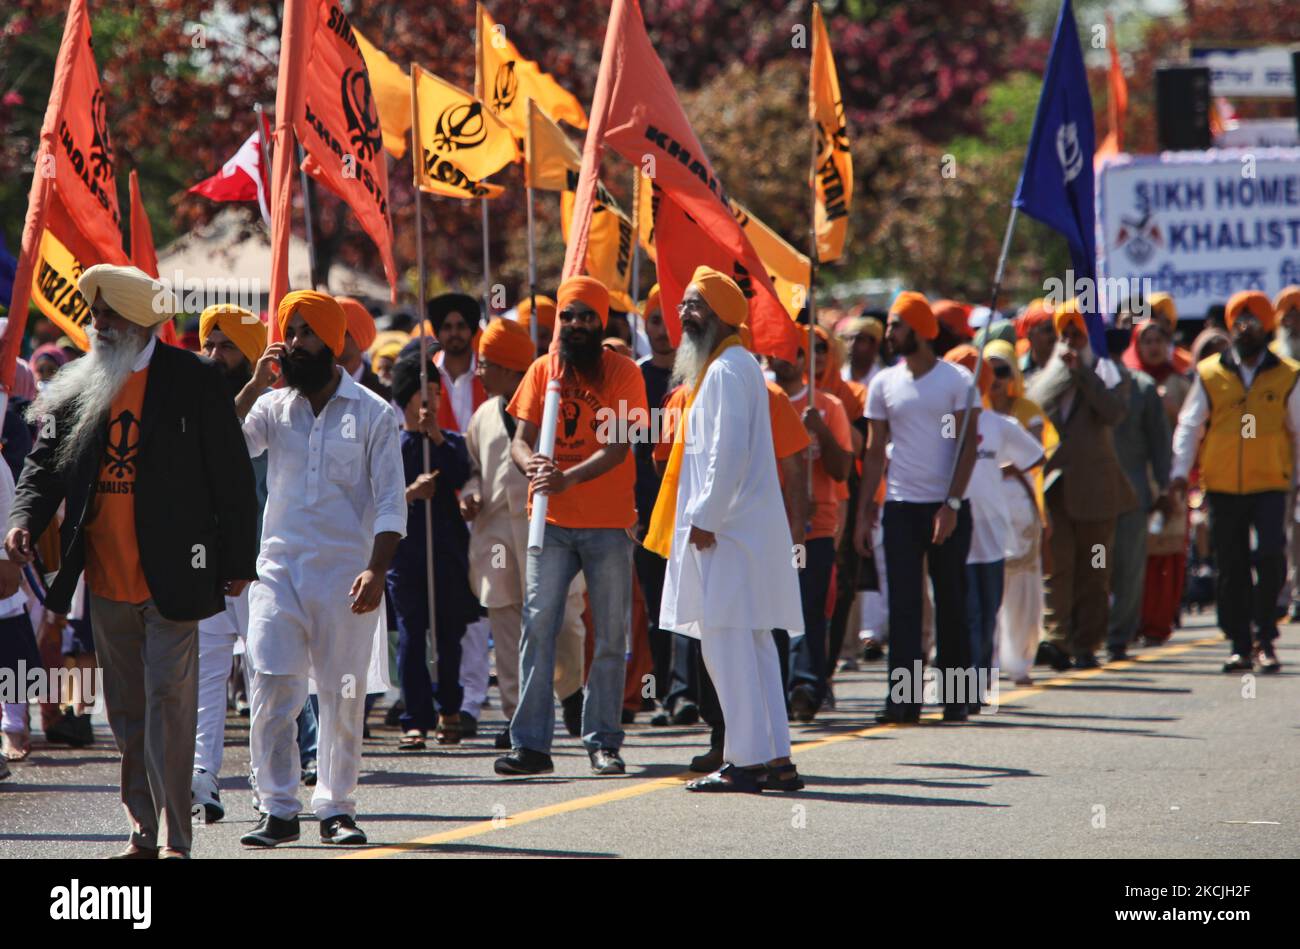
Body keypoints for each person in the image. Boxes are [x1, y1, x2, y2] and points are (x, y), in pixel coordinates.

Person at [5, 264, 259, 859]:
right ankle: (141, 831)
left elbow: (232, 477)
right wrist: (22, 522)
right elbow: (43, 466)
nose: (100, 326)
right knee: (125, 712)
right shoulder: (77, 379)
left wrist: (237, 558)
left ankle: (175, 836)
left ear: (143, 321)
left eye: (110, 315)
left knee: (169, 705)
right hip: (104, 577)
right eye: (96, 316)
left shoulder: (194, 379)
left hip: (178, 573)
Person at [234, 290, 406, 848]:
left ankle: (335, 807)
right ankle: (278, 808)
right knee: (273, 688)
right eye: (292, 330)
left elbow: (390, 502)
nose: (297, 342)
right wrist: (254, 386)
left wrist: (377, 570)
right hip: (277, 572)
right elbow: (224, 445)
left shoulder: (374, 413)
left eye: (309, 332)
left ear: (333, 343)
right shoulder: (271, 407)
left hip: (346, 576)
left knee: (340, 695)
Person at [649, 267, 804, 793]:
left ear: (720, 316)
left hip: (727, 532)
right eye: (684, 304)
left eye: (695, 306)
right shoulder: (733, 367)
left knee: (727, 645)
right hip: (740, 531)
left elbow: (727, 454)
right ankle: (776, 757)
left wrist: (705, 520)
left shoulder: (725, 371)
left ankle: (746, 762)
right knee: (753, 645)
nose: (684, 314)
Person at [495, 276, 648, 777]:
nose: (576, 324)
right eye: (567, 316)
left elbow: (622, 447)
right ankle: (531, 746)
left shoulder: (625, 374)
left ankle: (603, 740)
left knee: (609, 634)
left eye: (585, 316)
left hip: (608, 525)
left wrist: (567, 477)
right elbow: (520, 439)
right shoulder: (543, 370)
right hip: (551, 523)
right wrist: (532, 467)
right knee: (538, 625)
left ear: (601, 321)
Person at [461, 318, 586, 750]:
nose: (479, 372)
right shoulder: (480, 417)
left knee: (566, 621)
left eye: (487, 364)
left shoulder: (551, 408)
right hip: (496, 537)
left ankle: (571, 692)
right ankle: (518, 720)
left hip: (550, 529)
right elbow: (475, 472)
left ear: (514, 370)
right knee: (508, 624)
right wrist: (471, 494)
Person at [855, 292, 979, 724]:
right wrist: (864, 511)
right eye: (890, 325)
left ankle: (957, 697)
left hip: (948, 507)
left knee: (951, 601)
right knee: (904, 606)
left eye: (896, 325)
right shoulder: (883, 383)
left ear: (921, 330)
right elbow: (873, 454)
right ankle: (903, 701)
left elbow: (966, 448)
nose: (889, 334)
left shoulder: (957, 381)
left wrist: (951, 504)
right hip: (901, 507)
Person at [1170, 290, 1300, 674]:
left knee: (1271, 557)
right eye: (1239, 323)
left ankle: (1266, 636)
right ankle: (1240, 643)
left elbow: (1298, 432)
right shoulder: (1210, 373)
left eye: (1253, 322)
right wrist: (1179, 473)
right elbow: (1190, 425)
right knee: (1231, 566)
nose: (1245, 329)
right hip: (1223, 486)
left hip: (1271, 485)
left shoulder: (1288, 374)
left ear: (1266, 326)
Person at [190, 304, 271, 823]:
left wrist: (263, 384)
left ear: (251, 353)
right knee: (206, 675)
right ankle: (203, 779)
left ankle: (269, 786)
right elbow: (215, 430)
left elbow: (238, 429)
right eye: (210, 345)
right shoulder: (195, 398)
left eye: (227, 347)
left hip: (264, 564)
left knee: (266, 676)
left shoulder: (278, 404)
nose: (215, 355)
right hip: (207, 562)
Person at [1027, 300, 1134, 671]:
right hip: (1057, 490)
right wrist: (1063, 374)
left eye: (1077, 334)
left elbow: (1114, 412)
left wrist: (1084, 375)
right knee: (1058, 569)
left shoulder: (1108, 373)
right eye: (1065, 334)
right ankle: (1056, 641)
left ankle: (1088, 642)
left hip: (1097, 494)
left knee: (1095, 570)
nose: (1070, 341)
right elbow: (1033, 407)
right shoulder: (1047, 375)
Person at [385, 354, 479, 748]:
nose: (432, 404)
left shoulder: (451, 441)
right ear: (406, 399)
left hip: (447, 551)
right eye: (424, 396)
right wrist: (410, 494)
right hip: (406, 555)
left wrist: (438, 438)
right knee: (410, 635)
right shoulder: (390, 444)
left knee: (448, 635)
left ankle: (450, 708)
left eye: (437, 396)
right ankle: (415, 717)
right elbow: (378, 495)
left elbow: (464, 474)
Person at [945, 345, 1042, 709]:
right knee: (965, 611)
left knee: (988, 610)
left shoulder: (998, 424)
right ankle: (963, 685)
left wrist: (1001, 467)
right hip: (957, 529)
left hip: (993, 534)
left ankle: (982, 680)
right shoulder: (944, 422)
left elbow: (1036, 455)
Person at [768, 332, 853, 721]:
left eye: (789, 351)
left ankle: (805, 688)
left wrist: (818, 430)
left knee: (809, 609)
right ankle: (773, 689)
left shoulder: (828, 406)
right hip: (767, 526)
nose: (779, 358)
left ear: (805, 359)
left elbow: (842, 470)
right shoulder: (762, 400)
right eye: (774, 351)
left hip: (814, 528)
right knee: (771, 614)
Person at [983, 340, 1049, 685]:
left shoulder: (1027, 410)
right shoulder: (971, 411)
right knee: (986, 586)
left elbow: (1035, 459)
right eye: (988, 370)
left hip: (1020, 506)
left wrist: (1000, 468)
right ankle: (987, 661)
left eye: (1002, 370)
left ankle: (1019, 661)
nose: (995, 378)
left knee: (1022, 589)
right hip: (984, 506)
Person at [1106, 316, 1172, 661]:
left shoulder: (1143, 387)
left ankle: (1118, 636)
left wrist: (1164, 488)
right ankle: (1103, 633)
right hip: (1093, 493)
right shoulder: (1087, 383)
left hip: (1132, 493)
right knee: (1104, 566)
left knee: (1128, 566)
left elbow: (1160, 444)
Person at [631, 287, 683, 722]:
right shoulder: (633, 378)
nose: (663, 332)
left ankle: (695, 694)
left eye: (669, 320)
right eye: (654, 321)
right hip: (647, 511)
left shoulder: (697, 376)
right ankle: (666, 693)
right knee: (657, 607)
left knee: (693, 606)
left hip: (691, 507)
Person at [336, 296, 390, 401]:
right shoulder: (316, 389)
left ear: (360, 338)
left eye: (343, 333)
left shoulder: (384, 393)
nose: (335, 337)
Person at [1015, 299, 1056, 382]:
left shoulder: (1070, 363)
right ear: (1030, 335)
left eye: (1057, 329)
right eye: (1048, 329)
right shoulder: (1017, 371)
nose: (1055, 335)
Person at [839, 313, 884, 389]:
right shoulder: (839, 377)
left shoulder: (884, 380)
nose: (852, 344)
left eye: (860, 339)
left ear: (875, 345)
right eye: (848, 339)